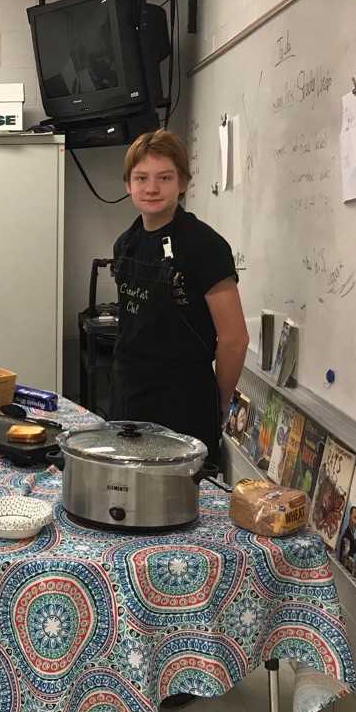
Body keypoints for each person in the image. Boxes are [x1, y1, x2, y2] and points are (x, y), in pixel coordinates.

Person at [111, 129, 250, 464]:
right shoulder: (126, 243)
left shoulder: (206, 247)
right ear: (128, 185)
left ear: (183, 183)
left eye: (165, 177)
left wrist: (218, 401)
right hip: (128, 400)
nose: (152, 188)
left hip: (183, 404)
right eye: (141, 178)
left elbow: (234, 339)